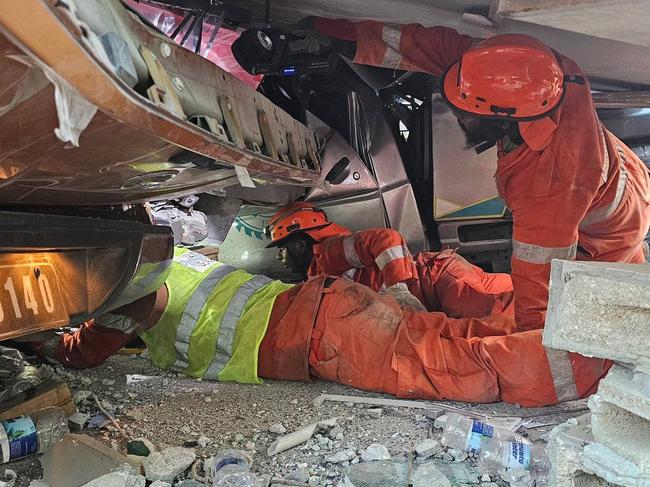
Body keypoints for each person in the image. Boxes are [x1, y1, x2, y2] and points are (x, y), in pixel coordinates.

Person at [233, 22, 650, 332]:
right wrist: (325, 36)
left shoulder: (551, 181)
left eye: (467, 113)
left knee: (597, 315)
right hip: (622, 173)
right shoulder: (519, 70)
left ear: (506, 121)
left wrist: (532, 343)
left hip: (612, 231)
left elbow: (540, 282)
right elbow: (417, 44)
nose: (456, 112)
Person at [36, 248, 610, 408]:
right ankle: (596, 317)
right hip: (329, 309)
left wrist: (39, 334)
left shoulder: (129, 291)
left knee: (460, 368)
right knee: (458, 340)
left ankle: (606, 356)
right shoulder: (176, 255)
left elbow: (83, 355)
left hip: (317, 335)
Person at [265, 201, 514, 319]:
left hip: (439, 280)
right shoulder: (319, 268)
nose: (280, 258)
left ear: (298, 245)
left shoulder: (328, 253)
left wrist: (399, 289)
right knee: (516, 297)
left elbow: (386, 238)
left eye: (281, 249)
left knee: (494, 319)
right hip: (440, 277)